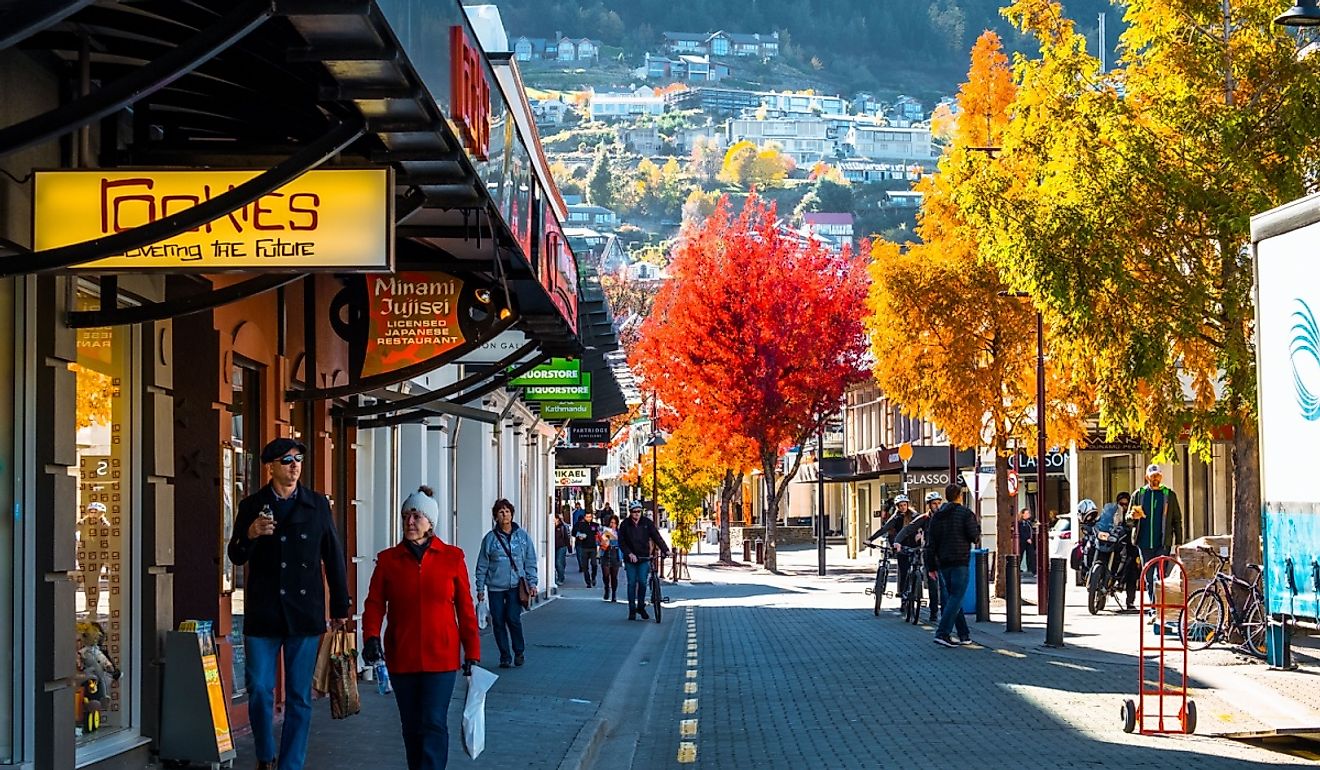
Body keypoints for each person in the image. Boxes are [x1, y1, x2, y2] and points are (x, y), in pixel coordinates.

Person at [227, 437, 351, 770]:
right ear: (271, 467)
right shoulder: (252, 506)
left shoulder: (317, 505)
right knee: (259, 690)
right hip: (264, 613)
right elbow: (235, 555)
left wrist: (340, 607)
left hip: (304, 612)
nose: (294, 465)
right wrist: (250, 534)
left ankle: (291, 764)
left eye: (298, 459)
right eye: (286, 460)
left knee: (299, 697)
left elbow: (333, 556)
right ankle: (266, 756)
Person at [362, 486, 480, 770]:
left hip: (441, 657)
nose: (410, 522)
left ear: (430, 522)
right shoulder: (389, 560)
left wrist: (472, 653)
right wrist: (371, 637)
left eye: (416, 516)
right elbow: (375, 604)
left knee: (433, 722)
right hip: (402, 656)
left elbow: (465, 609)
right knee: (412, 726)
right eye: (406, 516)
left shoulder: (452, 557)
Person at [475, 499, 538, 668]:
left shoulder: (522, 537)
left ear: (512, 514)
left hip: (515, 586)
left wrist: (532, 583)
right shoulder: (490, 539)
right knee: (498, 621)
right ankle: (504, 655)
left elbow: (530, 560)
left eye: (508, 511)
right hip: (495, 587)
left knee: (513, 618)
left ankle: (519, 651)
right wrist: (480, 588)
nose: (505, 515)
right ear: (496, 516)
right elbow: (482, 565)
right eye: (501, 512)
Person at [925, 483, 980, 648]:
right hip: (960, 560)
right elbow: (974, 536)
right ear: (960, 496)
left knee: (953, 597)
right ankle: (943, 633)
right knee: (956, 597)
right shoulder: (965, 514)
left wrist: (931, 567)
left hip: (943, 561)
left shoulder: (937, 516)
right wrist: (977, 529)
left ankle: (964, 634)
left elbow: (930, 543)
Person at [1132, 464, 1184, 605]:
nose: (1155, 479)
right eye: (1152, 476)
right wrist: (1132, 517)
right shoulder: (1139, 494)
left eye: (1158, 476)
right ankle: (1153, 607)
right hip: (1144, 543)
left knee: (1161, 576)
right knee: (1149, 577)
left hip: (1163, 542)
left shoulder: (1169, 495)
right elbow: (1128, 518)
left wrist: (1179, 541)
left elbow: (1177, 519)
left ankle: (1161, 607)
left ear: (1161, 477)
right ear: (1147, 477)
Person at [618, 500, 671, 621]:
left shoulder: (647, 523)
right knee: (632, 583)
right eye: (634, 512)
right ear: (630, 512)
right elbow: (622, 542)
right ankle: (632, 609)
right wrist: (629, 554)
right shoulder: (625, 524)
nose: (637, 514)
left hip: (643, 557)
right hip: (630, 558)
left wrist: (666, 550)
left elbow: (656, 537)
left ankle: (641, 606)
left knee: (642, 581)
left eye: (639, 511)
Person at [889, 492, 939, 601]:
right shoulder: (923, 518)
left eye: (939, 503)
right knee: (907, 572)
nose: (937, 506)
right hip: (919, 550)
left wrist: (919, 534)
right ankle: (932, 611)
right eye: (934, 503)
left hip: (936, 551)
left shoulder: (942, 517)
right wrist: (897, 542)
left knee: (941, 585)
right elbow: (907, 529)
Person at [572, 510, 601, 587]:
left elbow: (600, 534)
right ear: (584, 517)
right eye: (587, 517)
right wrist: (579, 535)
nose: (588, 518)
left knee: (594, 564)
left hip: (593, 548)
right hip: (584, 547)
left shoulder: (595, 525)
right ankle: (588, 582)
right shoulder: (580, 525)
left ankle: (593, 577)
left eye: (590, 517)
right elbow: (574, 533)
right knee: (585, 566)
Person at [598, 514, 623, 602]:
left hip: (615, 553)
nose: (613, 525)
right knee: (606, 574)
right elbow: (598, 542)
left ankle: (614, 594)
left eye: (614, 523)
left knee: (614, 576)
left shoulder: (619, 532)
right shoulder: (604, 531)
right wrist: (602, 539)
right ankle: (606, 588)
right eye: (611, 522)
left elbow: (622, 543)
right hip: (606, 552)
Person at [553, 510, 571, 585]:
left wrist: (569, 547)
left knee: (558, 562)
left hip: (562, 546)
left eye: (554, 518)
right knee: (556, 563)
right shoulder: (550, 527)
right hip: (554, 547)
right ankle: (560, 574)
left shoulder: (562, 527)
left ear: (557, 519)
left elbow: (566, 537)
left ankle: (560, 578)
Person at [1018, 509, 1036, 576]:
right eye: (1027, 513)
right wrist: (1027, 538)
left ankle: (1032, 569)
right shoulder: (1021, 522)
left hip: (1029, 541)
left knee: (1031, 555)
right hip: (1023, 541)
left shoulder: (1028, 522)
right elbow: (1022, 532)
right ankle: (1017, 568)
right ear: (1023, 514)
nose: (1028, 514)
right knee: (1021, 554)